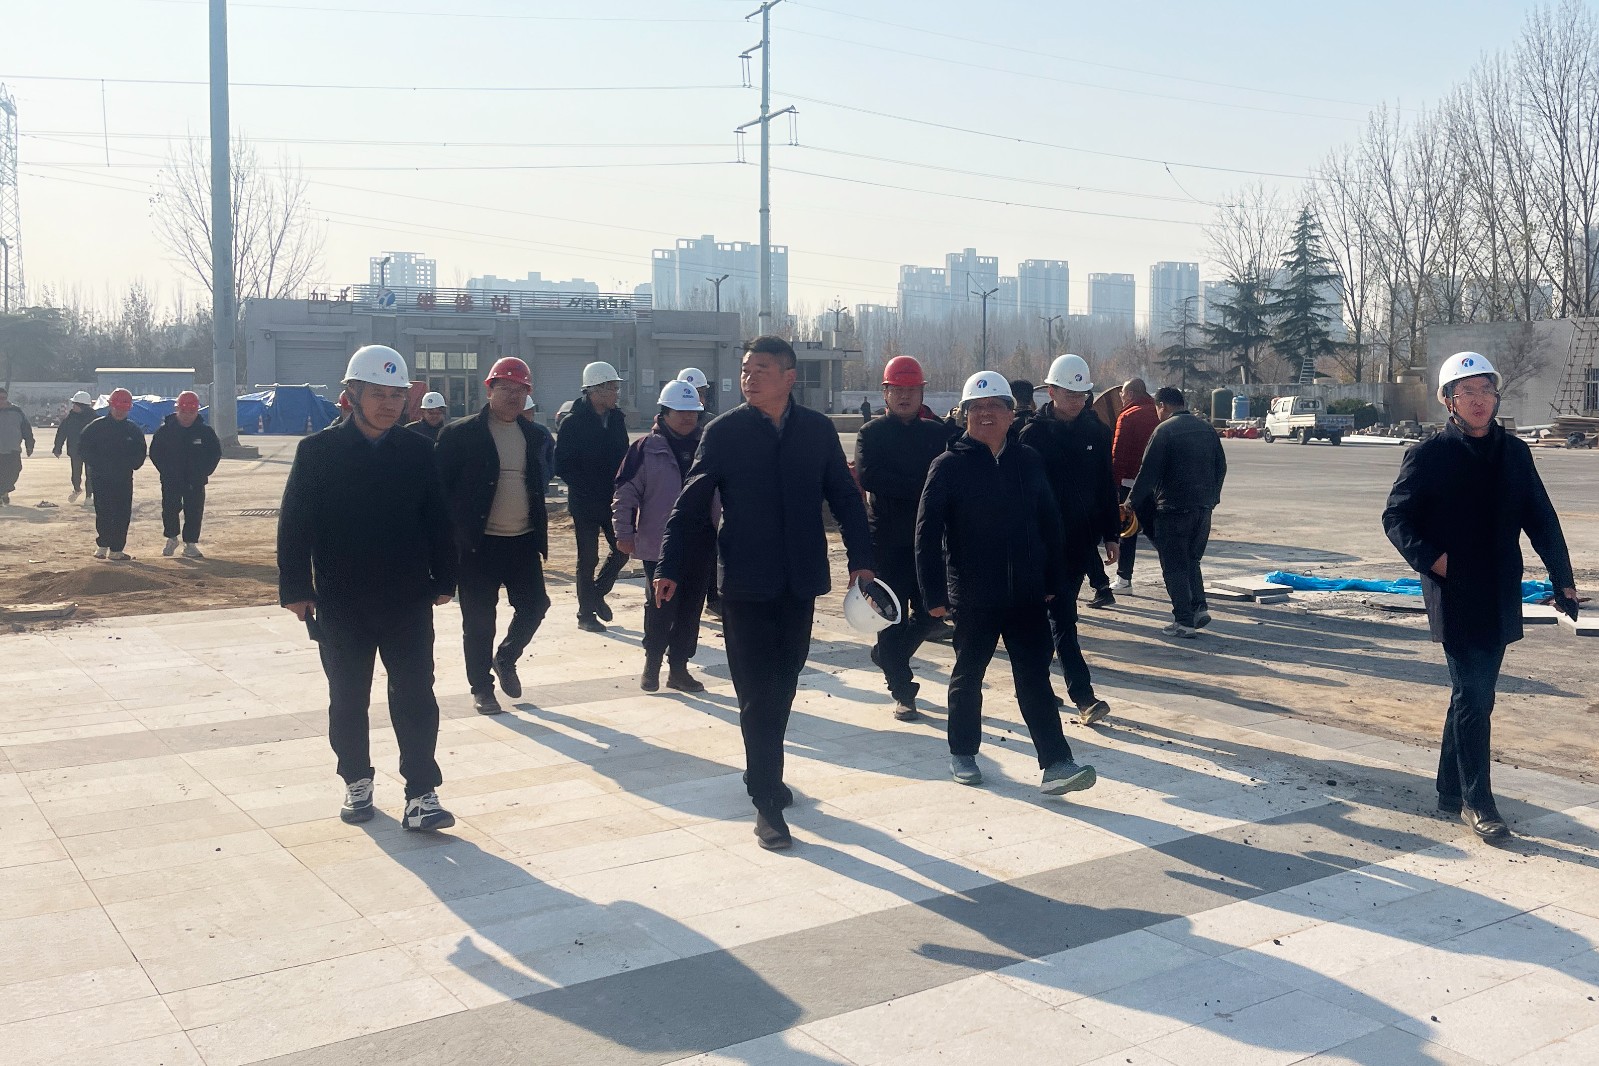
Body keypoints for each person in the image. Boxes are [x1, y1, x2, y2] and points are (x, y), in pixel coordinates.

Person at [655, 336, 875, 850]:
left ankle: (764, 773)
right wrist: (669, 565)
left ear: (789, 377)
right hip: (744, 582)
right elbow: (690, 505)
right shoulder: (724, 432)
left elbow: (845, 498)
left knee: (785, 681)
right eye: (745, 369)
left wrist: (862, 561)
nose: (749, 378)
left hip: (799, 581)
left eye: (761, 369)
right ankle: (767, 803)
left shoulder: (817, 431)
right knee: (756, 692)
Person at [1383, 351, 1577, 843]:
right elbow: (1397, 517)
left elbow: (1541, 518)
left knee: (1472, 693)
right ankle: (1478, 801)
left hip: (1499, 586)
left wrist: (1563, 580)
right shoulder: (1429, 455)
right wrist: (1435, 561)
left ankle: (1451, 789)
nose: (1479, 400)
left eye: (1486, 391)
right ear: (1448, 401)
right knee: (1474, 693)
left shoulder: (1514, 453)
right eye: (1467, 392)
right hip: (1454, 589)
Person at [278, 345, 457, 832]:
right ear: (352, 394)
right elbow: (294, 524)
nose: (388, 405)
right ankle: (356, 779)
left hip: (408, 597)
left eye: (396, 396)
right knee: (348, 696)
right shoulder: (317, 453)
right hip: (342, 599)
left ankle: (421, 793)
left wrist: (446, 577)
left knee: (416, 694)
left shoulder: (418, 451)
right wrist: (295, 587)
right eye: (377, 394)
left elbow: (438, 519)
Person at [917, 370, 1098, 795]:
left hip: (1027, 594)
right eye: (977, 408)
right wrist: (933, 595)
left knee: (1035, 677)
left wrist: (1052, 579)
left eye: (995, 407)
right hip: (974, 595)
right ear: (964, 414)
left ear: (1011, 414)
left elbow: (1049, 523)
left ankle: (1057, 763)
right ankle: (963, 752)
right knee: (969, 675)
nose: (986, 415)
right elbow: (926, 534)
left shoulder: (1027, 461)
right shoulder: (948, 467)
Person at [435, 357, 553, 717]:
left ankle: (506, 657)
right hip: (477, 544)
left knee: (535, 606)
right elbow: (438, 493)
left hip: (522, 540)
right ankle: (482, 689)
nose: (513, 396)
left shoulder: (535, 435)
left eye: (520, 390)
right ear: (489, 390)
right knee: (478, 622)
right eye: (505, 388)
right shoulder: (459, 435)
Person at [1019, 355, 1118, 725]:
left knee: (1060, 618)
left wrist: (1111, 534)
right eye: (1069, 393)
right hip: (1041, 545)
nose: (1077, 401)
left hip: (1079, 543)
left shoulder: (1096, 432)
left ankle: (1038, 686)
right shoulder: (1032, 435)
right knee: (1060, 619)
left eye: (1082, 394)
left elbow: (1105, 485)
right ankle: (1082, 696)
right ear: (1051, 391)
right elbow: (1022, 495)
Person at [853, 354, 953, 721]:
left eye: (912, 389)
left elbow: (951, 476)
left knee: (931, 612)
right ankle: (902, 690)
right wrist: (925, 487)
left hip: (929, 543)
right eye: (898, 390)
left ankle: (888, 658)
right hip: (887, 542)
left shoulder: (938, 433)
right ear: (885, 393)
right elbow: (871, 477)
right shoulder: (871, 433)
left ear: (922, 392)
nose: (905, 396)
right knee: (891, 619)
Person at [614, 380, 715, 694]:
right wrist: (624, 533)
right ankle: (652, 664)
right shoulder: (645, 449)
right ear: (665, 412)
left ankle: (679, 670)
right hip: (659, 544)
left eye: (693, 412)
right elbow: (625, 494)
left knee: (691, 609)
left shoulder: (708, 447)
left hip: (702, 542)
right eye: (680, 411)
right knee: (661, 606)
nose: (688, 417)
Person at [1128, 387, 1227, 638]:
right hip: (1203, 509)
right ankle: (1199, 608)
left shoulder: (1164, 431)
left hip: (1173, 510)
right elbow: (1221, 466)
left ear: (1162, 405)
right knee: (1192, 560)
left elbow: (1147, 472)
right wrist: (1212, 498)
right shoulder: (1206, 428)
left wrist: (1130, 503)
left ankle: (1183, 621)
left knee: (1174, 566)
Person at [556, 361, 630, 632]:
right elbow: (562, 465)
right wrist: (587, 487)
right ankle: (585, 614)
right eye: (612, 388)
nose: (616, 394)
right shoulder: (573, 423)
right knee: (587, 559)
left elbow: (624, 457)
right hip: (585, 502)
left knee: (622, 549)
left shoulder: (617, 420)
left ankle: (597, 593)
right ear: (595, 390)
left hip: (613, 500)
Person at [149, 391, 221, 559]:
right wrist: (166, 472)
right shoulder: (165, 431)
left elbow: (215, 454)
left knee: (194, 511)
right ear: (177, 410)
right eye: (183, 412)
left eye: (191, 412)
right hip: (171, 480)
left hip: (195, 481)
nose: (187, 416)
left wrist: (204, 472)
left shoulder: (205, 432)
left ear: (197, 411)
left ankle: (190, 543)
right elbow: (155, 453)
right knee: (170, 509)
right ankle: (172, 538)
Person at [77, 389, 147, 560]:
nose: (119, 411)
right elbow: (83, 448)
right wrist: (97, 465)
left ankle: (117, 549)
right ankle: (102, 545)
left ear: (128, 408)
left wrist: (132, 465)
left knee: (122, 513)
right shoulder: (95, 428)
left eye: (123, 408)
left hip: (123, 479)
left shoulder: (133, 430)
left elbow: (140, 452)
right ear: (110, 406)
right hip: (100, 478)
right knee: (103, 511)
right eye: (116, 407)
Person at [677, 367, 722, 615]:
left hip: (709, 495)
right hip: (680, 495)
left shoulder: (714, 424)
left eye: (701, 392)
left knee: (712, 548)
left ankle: (713, 599)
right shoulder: (672, 423)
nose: (698, 398)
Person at [1109, 378, 1159, 590]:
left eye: (1122, 394)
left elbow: (1118, 455)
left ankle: (1124, 579)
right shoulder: (1159, 413)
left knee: (1128, 530)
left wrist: (1113, 485)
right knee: (1156, 530)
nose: (1121, 398)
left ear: (1129, 394)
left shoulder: (1128, 416)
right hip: (1158, 485)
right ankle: (1181, 568)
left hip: (1130, 483)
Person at [53, 391, 96, 504]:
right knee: (75, 475)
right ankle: (77, 489)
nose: (73, 406)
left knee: (90, 475)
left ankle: (89, 496)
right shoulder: (70, 418)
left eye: (75, 404)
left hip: (91, 452)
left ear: (82, 406)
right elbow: (61, 433)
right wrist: (57, 448)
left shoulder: (95, 418)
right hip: (75, 451)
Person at [0, 385, 35, 507]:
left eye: (3, 398)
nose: (1, 401)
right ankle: (2, 493)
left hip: (13, 449)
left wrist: (29, 445)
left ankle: (4, 491)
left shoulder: (16, 411)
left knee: (15, 471)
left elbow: (26, 429)